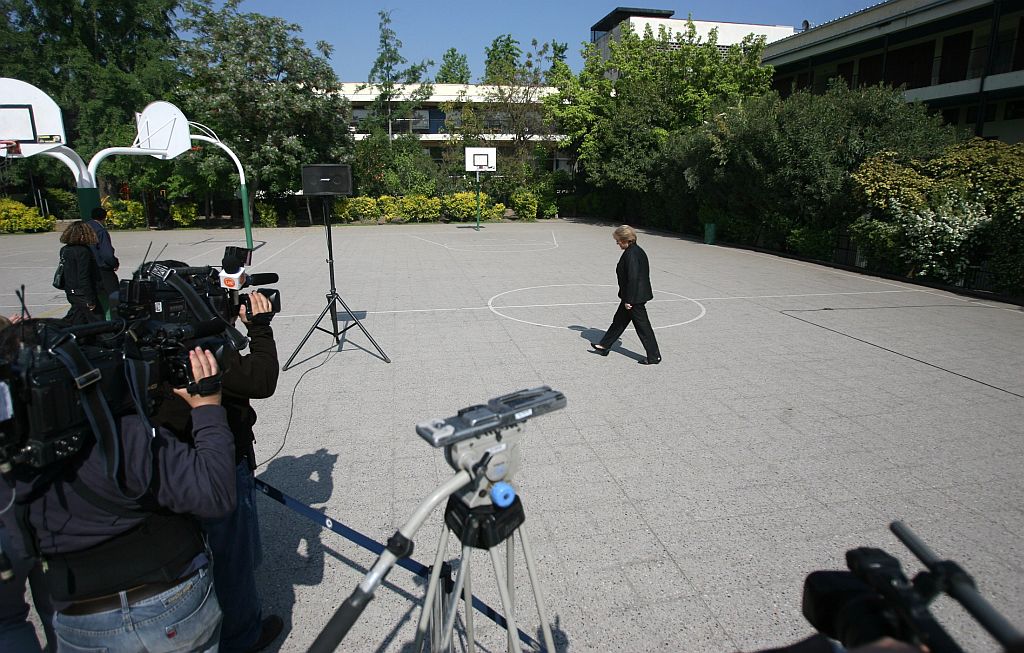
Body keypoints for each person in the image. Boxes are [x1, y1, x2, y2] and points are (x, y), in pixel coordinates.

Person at [2, 325, 237, 653]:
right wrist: (208, 407)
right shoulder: (124, 436)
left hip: (81, 623)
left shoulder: (11, 468)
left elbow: (17, 562)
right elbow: (216, 495)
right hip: (171, 601)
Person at [156, 289, 284, 653]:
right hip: (219, 460)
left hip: (169, 463)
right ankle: (242, 634)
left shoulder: (142, 342)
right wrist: (259, 329)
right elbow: (261, 381)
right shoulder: (203, 353)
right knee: (232, 554)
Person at [590, 225, 662, 365]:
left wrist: (629, 300)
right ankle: (604, 346)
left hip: (634, 298)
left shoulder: (631, 254)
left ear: (625, 240)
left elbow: (633, 278)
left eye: (618, 241)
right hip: (632, 295)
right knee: (619, 321)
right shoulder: (635, 250)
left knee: (643, 328)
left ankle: (654, 356)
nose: (617, 243)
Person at [58, 221, 103, 325]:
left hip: (71, 292)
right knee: (99, 323)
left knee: (78, 321)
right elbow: (84, 276)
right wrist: (90, 299)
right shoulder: (83, 251)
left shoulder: (65, 250)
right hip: (83, 293)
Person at [86, 207, 119, 318]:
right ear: (104, 217)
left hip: (88, 268)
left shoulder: (85, 228)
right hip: (102, 269)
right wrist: (114, 263)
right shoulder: (101, 231)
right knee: (115, 294)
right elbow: (107, 254)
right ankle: (116, 318)